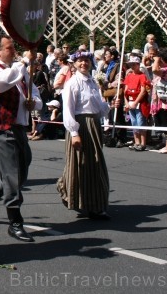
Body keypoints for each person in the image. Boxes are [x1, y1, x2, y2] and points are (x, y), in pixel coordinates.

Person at [0, 36, 41, 243]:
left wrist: (34, 104)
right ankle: (15, 222)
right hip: (1, 127)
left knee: (21, 171)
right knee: (12, 175)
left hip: (19, 127)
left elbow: (36, 95)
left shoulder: (19, 72)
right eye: (10, 48)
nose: (14, 51)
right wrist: (23, 63)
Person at [58, 50, 116, 220]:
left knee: (96, 165)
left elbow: (99, 109)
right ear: (74, 64)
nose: (84, 63)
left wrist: (109, 104)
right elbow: (68, 110)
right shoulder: (73, 83)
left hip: (93, 126)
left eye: (86, 61)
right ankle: (73, 194)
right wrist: (74, 132)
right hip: (81, 125)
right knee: (80, 164)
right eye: (80, 61)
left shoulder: (92, 82)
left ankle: (96, 205)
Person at [150, 49, 167, 154]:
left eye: (160, 60)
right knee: (160, 122)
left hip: (164, 101)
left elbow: (154, 70)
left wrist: (156, 59)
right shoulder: (163, 69)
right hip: (157, 100)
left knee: (166, 122)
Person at [121, 54, 151, 151]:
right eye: (131, 64)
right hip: (130, 101)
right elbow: (125, 91)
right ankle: (136, 141)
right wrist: (126, 103)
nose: (133, 66)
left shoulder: (142, 76)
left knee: (140, 122)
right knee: (133, 122)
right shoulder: (129, 76)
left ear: (138, 65)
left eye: (134, 64)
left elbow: (143, 91)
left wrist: (136, 102)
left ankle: (143, 143)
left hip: (139, 102)